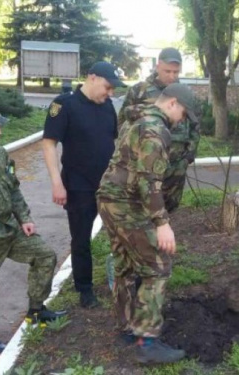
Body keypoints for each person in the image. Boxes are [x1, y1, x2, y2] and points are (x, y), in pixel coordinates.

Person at [97, 83, 198, 364]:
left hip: (109, 200)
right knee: (157, 267)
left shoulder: (139, 119)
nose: (182, 121)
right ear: (172, 103)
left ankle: (128, 327)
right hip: (127, 205)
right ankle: (148, 342)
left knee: (126, 265)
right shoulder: (156, 130)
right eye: (184, 114)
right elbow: (148, 181)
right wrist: (161, 223)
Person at [0, 102, 66, 354]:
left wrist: (24, 218)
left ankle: (36, 310)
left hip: (10, 229)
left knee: (44, 255)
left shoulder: (0, 153)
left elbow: (13, 188)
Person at [42, 61, 125, 308]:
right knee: (81, 239)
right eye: (107, 87)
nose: (110, 93)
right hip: (78, 186)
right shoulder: (64, 105)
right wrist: (57, 183)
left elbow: (114, 143)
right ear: (91, 77)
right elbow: (49, 144)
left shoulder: (108, 107)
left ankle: (124, 281)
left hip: (108, 185)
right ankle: (85, 289)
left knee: (122, 234)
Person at [118, 47, 200, 213]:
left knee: (168, 209)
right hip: (147, 163)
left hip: (176, 164)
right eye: (167, 71)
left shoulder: (185, 93)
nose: (172, 76)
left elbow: (195, 126)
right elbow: (123, 123)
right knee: (144, 207)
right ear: (158, 67)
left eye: (176, 72)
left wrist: (188, 156)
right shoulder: (139, 90)